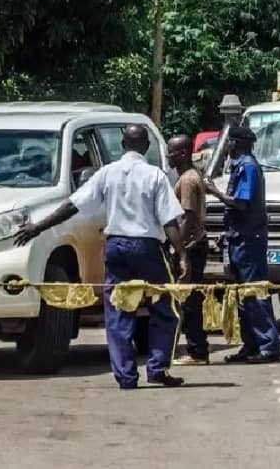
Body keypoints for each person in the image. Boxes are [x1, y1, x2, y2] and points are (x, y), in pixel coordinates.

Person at [15, 125, 189, 390]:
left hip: (116, 247)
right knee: (165, 308)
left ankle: (126, 377)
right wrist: (182, 254)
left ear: (122, 145)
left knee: (118, 311)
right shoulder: (154, 175)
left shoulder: (106, 173)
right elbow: (169, 221)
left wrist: (37, 227)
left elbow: (72, 205)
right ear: (145, 147)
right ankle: (157, 368)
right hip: (146, 248)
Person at [204, 126, 280, 363]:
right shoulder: (240, 166)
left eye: (229, 143)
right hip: (238, 237)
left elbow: (241, 203)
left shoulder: (248, 166)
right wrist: (225, 233)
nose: (227, 147)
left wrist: (214, 192)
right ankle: (251, 344)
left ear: (237, 143)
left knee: (255, 291)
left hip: (250, 240)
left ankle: (268, 345)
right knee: (242, 294)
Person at [166, 134, 211, 366]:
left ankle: (197, 351)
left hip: (191, 247)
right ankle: (196, 348)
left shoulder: (187, 180)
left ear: (183, 153)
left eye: (171, 152)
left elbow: (188, 217)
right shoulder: (191, 176)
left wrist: (178, 250)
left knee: (189, 301)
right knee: (189, 299)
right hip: (194, 245)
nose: (167, 156)